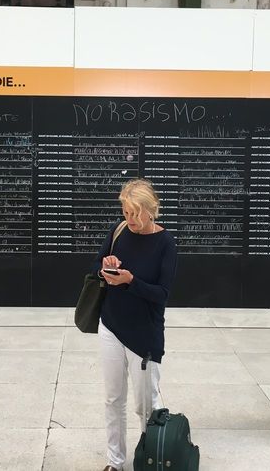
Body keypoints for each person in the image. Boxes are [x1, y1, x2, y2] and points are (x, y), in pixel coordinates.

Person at [93, 179, 177, 471]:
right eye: (126, 212)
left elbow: (162, 295)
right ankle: (114, 462)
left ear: (151, 210)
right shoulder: (119, 231)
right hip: (111, 326)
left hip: (144, 334)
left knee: (146, 405)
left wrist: (130, 281)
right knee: (113, 399)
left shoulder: (165, 242)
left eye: (136, 213)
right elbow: (96, 269)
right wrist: (108, 267)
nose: (131, 219)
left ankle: (148, 460)